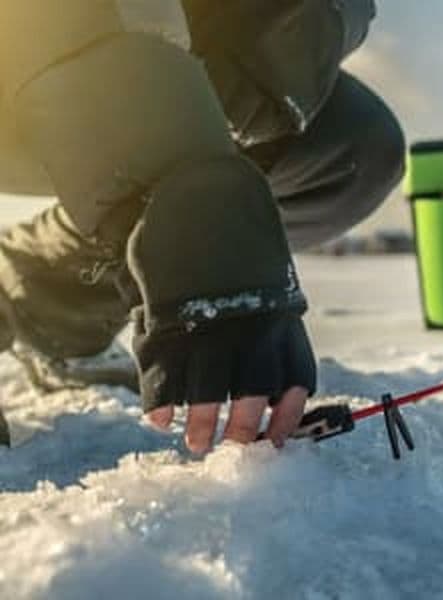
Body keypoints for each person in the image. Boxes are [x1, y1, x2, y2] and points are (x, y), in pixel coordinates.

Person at [0, 0, 405, 451]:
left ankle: (50, 292)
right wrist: (195, 200)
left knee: (351, 151)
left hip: (149, 49)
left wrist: (259, 78)